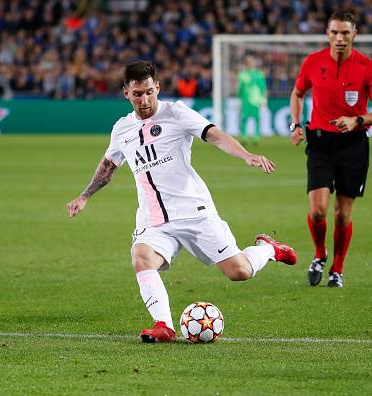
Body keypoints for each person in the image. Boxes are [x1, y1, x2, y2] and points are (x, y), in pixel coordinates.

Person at [67, 61, 297, 342]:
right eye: (137, 93)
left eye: (149, 92)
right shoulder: (122, 129)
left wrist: (245, 154)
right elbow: (108, 167)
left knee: (239, 271)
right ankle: (164, 325)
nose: (145, 100)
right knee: (141, 258)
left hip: (194, 212)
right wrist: (84, 195)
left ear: (158, 87)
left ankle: (267, 249)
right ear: (126, 92)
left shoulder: (176, 113)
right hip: (153, 219)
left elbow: (214, 135)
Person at [289, 11, 372, 288]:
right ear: (328, 34)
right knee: (318, 210)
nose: (339, 38)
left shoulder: (366, 67)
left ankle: (337, 268)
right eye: (335, 32)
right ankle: (320, 254)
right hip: (320, 142)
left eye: (345, 33)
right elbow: (298, 93)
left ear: (354, 35)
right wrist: (296, 125)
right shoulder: (313, 62)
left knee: (343, 214)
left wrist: (358, 119)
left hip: (353, 145)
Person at [237, 56, 267, 146]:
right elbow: (240, 89)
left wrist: (264, 99)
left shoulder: (259, 75)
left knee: (257, 119)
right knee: (244, 119)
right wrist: (239, 99)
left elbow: (263, 88)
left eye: (251, 62)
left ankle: (256, 138)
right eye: (248, 62)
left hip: (256, 100)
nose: (250, 64)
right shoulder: (242, 75)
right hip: (245, 100)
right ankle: (244, 137)